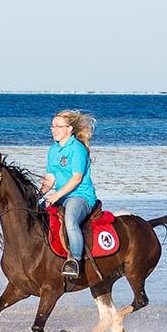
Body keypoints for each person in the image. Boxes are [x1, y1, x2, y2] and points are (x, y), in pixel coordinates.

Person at [40, 110, 98, 278]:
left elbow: (76, 179)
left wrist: (55, 196)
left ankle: (75, 262)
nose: (53, 129)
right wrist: (37, 195)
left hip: (80, 195)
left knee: (70, 220)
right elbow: (50, 179)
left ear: (70, 129)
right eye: (52, 126)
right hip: (61, 196)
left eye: (58, 126)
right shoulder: (53, 150)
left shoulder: (77, 149)